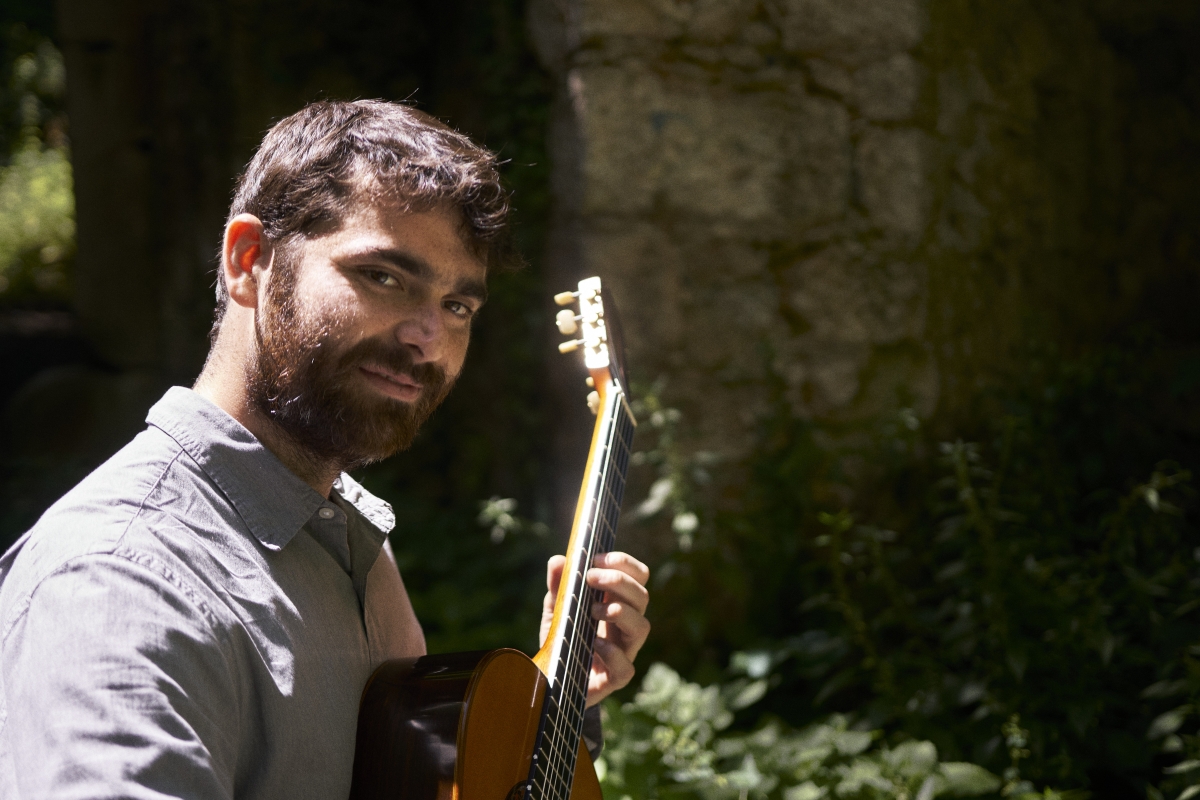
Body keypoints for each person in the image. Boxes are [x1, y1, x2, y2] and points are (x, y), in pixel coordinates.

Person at [0, 100, 651, 798]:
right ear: (249, 261)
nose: (426, 337)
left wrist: (555, 712)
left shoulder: (354, 548)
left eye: (458, 306)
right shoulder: (118, 584)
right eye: (384, 277)